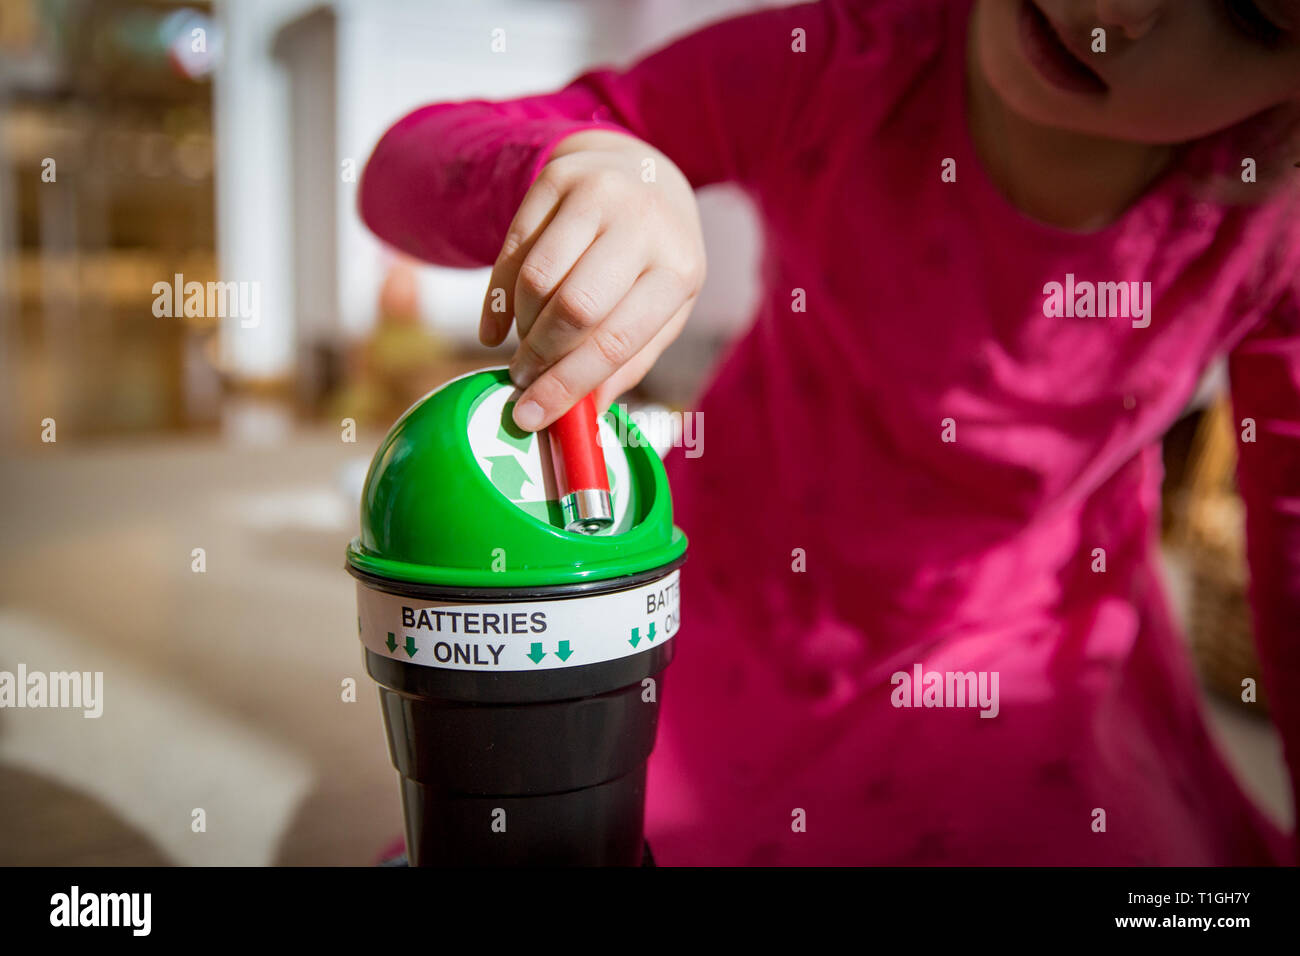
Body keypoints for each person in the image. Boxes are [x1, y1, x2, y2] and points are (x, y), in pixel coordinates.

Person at [358, 0, 1300, 864]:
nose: (1118, 11)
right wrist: (582, 161)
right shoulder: (840, 54)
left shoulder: (1278, 225)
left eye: (1252, 12)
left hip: (1025, 638)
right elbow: (401, 167)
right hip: (735, 587)